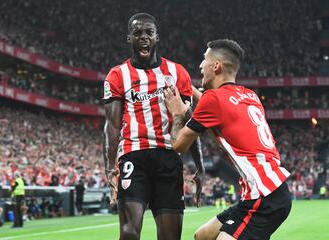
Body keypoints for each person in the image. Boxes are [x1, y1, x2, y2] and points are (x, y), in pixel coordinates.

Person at [164, 39, 292, 240]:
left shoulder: (213, 100)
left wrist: (178, 114)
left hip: (264, 196)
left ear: (216, 66)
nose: (200, 66)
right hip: (269, 191)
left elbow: (178, 145)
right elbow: (218, 110)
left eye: (204, 60)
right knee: (202, 236)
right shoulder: (250, 96)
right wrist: (189, 89)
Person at [103, 13, 205, 240]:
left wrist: (199, 166)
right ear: (128, 38)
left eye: (149, 32)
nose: (143, 37)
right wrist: (110, 168)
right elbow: (111, 126)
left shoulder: (178, 73)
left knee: (170, 237)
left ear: (157, 37)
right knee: (129, 233)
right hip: (133, 156)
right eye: (137, 33)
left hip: (169, 156)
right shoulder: (118, 75)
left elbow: (189, 123)